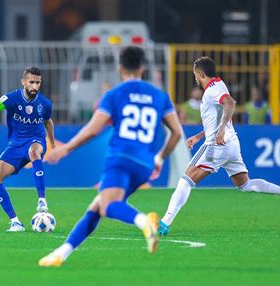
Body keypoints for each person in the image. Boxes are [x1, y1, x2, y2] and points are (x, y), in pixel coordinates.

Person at [38, 46, 183, 267]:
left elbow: (93, 130)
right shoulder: (160, 96)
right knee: (97, 206)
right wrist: (160, 158)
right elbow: (177, 133)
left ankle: (145, 222)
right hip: (145, 164)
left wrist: (64, 149)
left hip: (120, 158)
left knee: (107, 206)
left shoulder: (114, 95)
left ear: (119, 68)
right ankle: (60, 254)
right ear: (142, 68)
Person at [158, 56, 280, 236]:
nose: (195, 79)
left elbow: (230, 103)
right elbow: (218, 116)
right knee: (245, 184)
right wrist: (199, 136)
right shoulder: (218, 85)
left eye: (195, 75)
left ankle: (164, 222)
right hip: (231, 144)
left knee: (186, 180)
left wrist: (220, 131)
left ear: (200, 73)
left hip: (217, 145)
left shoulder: (212, 91)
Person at [0, 66, 56, 232]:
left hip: (36, 140)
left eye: (38, 83)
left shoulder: (44, 103)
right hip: (15, 145)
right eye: (31, 82)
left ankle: (42, 201)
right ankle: (15, 222)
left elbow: (48, 122)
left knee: (34, 152)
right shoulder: (11, 99)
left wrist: (52, 142)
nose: (35, 86)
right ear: (24, 82)